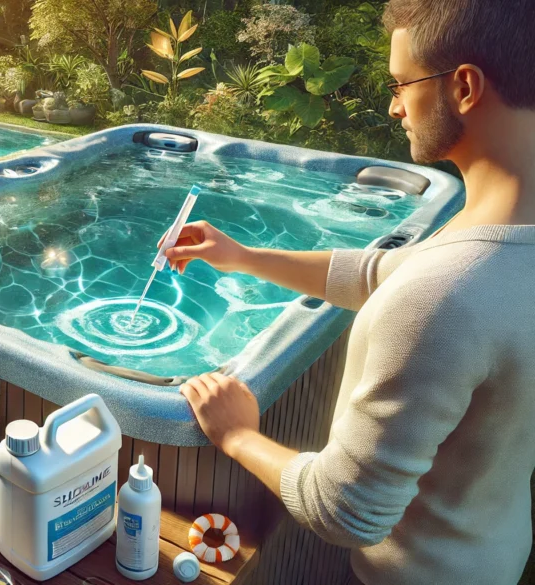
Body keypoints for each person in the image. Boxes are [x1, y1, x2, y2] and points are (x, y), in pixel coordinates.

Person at [163, 1, 535, 583]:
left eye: (402, 84)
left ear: (464, 86)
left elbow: (348, 510)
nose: (394, 106)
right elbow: (385, 274)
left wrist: (236, 434)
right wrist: (242, 257)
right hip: (495, 549)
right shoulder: (508, 237)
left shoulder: (447, 294)